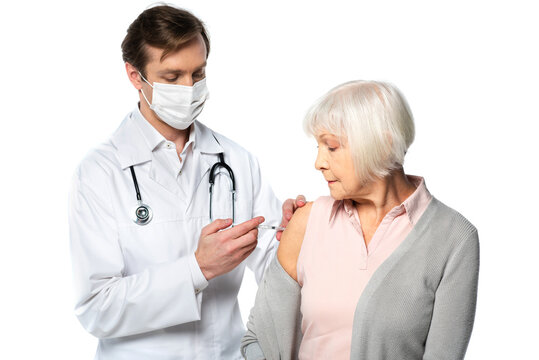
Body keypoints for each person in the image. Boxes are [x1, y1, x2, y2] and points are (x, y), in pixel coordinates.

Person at [68, 5, 304, 359]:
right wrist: (197, 268)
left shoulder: (236, 161)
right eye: (172, 76)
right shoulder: (99, 172)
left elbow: (275, 269)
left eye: (198, 73)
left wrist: (293, 236)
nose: (189, 88)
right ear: (135, 76)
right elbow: (97, 308)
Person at [241, 80, 480, 360]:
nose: (318, 162)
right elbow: (257, 340)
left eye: (331, 147)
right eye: (317, 148)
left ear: (383, 144)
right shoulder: (306, 222)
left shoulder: (454, 238)